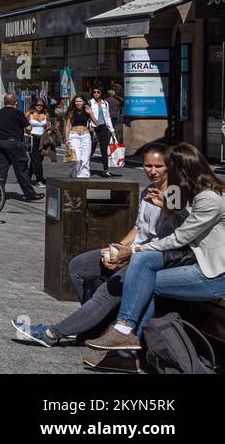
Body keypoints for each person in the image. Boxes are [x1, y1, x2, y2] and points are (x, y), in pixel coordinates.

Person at [12, 143, 181, 363]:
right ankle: (94, 326)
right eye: (148, 165)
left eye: (158, 166)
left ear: (169, 167)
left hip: (150, 258)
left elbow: (177, 234)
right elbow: (139, 228)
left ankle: (52, 333)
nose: (153, 171)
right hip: (131, 250)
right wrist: (116, 248)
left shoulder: (174, 192)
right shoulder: (147, 190)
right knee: (78, 266)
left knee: (108, 290)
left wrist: (130, 252)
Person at [85, 144, 225, 355]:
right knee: (144, 268)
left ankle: (124, 345)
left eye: (167, 168)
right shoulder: (197, 193)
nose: (160, 173)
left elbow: (180, 238)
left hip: (214, 275)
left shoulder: (209, 199)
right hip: (198, 263)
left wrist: (133, 251)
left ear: (182, 170)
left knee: (144, 274)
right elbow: (180, 229)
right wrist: (166, 208)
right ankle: (124, 339)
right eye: (148, 165)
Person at [0, 93, 41, 201]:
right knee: (21, 169)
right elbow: (28, 128)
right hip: (14, 144)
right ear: (16, 102)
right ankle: (30, 194)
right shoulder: (18, 113)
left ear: (4, 102)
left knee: (1, 169)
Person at [63, 94, 95, 179]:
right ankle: (73, 176)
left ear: (84, 102)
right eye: (76, 101)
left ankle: (83, 178)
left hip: (85, 135)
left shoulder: (87, 111)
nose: (78, 103)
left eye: (80, 101)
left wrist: (91, 113)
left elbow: (96, 123)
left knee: (85, 159)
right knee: (75, 158)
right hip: (74, 135)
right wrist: (66, 139)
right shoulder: (71, 112)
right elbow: (68, 126)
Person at [88, 87, 116, 179]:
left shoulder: (105, 103)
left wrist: (112, 130)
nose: (96, 93)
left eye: (98, 92)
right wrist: (89, 126)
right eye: (94, 92)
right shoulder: (90, 102)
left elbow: (107, 117)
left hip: (103, 128)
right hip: (94, 128)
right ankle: (85, 168)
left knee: (104, 150)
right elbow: (88, 116)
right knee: (91, 149)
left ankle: (105, 170)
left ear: (101, 93)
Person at [26, 98, 51, 185]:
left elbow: (47, 126)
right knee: (36, 159)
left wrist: (48, 131)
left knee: (39, 159)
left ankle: (27, 176)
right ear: (34, 105)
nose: (40, 106)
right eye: (38, 105)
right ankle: (40, 179)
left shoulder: (46, 114)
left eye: (41, 105)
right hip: (32, 138)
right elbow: (23, 124)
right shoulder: (29, 113)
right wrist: (27, 129)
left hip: (42, 138)